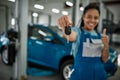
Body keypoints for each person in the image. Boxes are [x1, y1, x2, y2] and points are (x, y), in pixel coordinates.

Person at [58, 3, 109, 80]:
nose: (92, 20)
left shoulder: (101, 36)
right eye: (89, 17)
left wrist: (106, 45)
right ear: (83, 17)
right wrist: (66, 26)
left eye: (96, 18)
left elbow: (104, 59)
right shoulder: (78, 32)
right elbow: (70, 36)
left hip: (99, 75)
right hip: (81, 76)